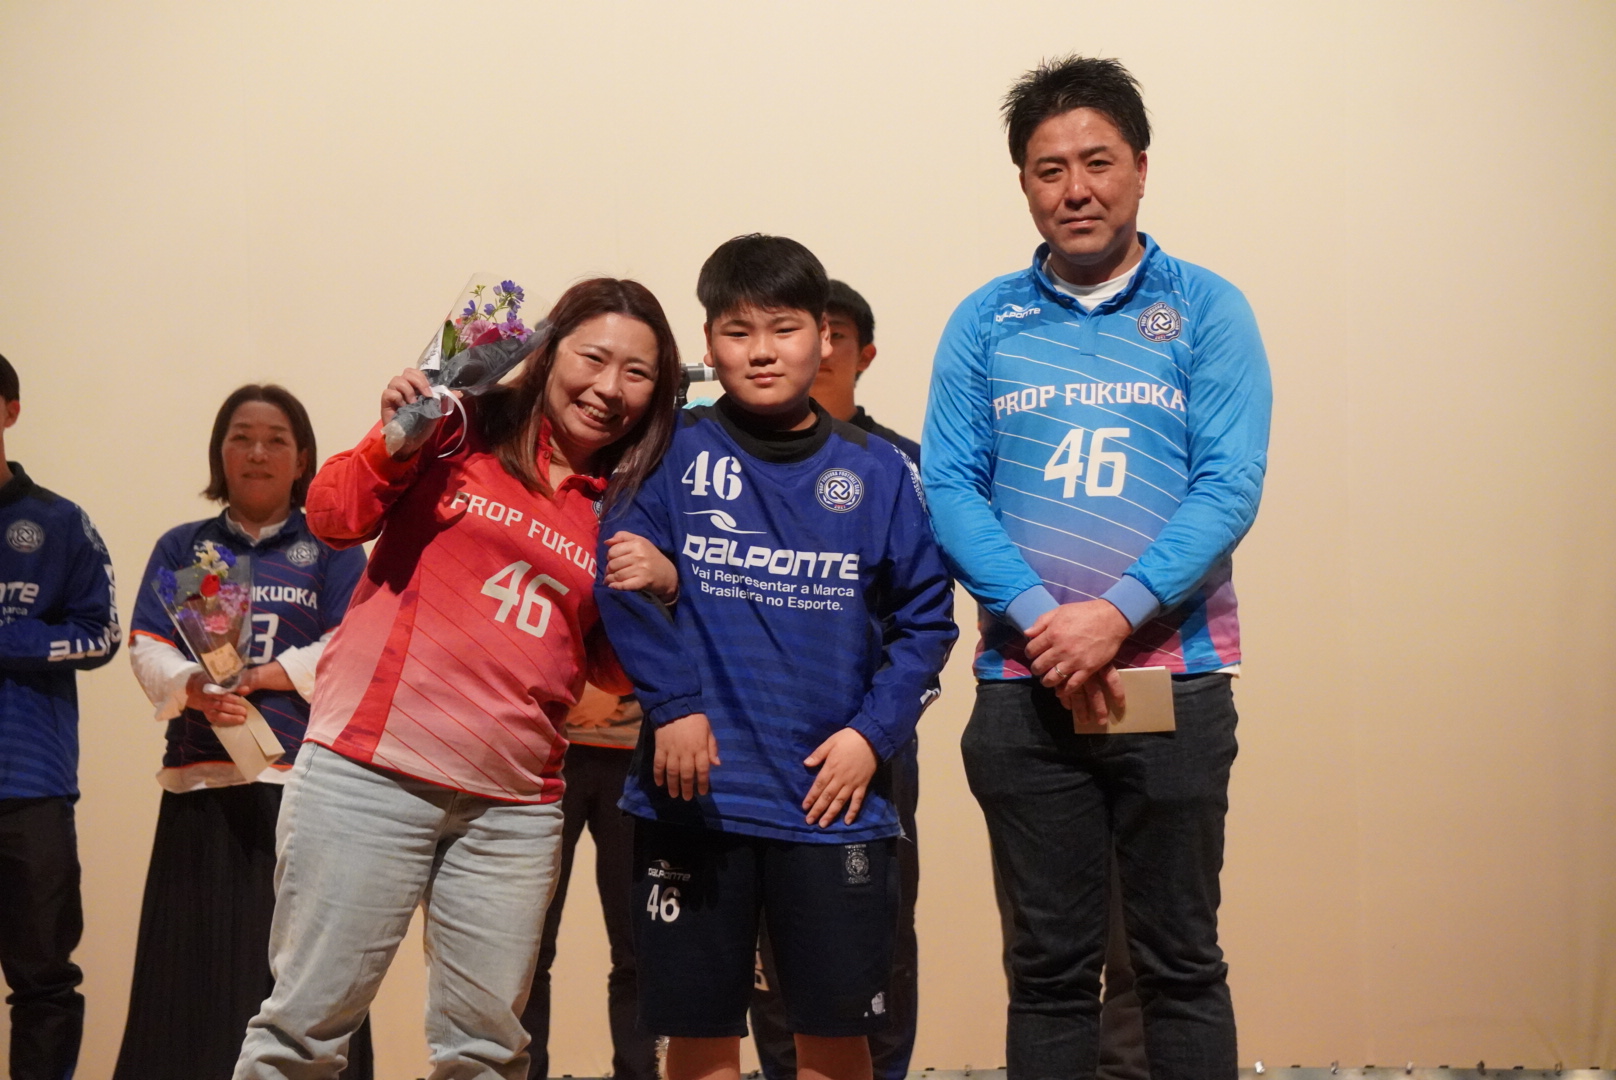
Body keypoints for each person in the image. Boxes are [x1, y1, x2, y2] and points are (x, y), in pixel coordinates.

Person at [232, 278, 682, 1080]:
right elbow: (334, 516)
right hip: (370, 773)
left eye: (637, 373)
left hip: (514, 807)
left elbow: (610, 670)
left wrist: (661, 588)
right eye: (593, 358)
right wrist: (396, 438)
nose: (610, 388)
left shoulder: (629, 503)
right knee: (302, 1037)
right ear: (547, 353)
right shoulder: (459, 425)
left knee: (486, 1054)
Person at [922, 56, 1272, 1080]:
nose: (1075, 189)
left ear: (1140, 168)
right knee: (1047, 974)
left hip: (1175, 681)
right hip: (1022, 688)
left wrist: (1113, 616)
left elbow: (1227, 487)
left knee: (1179, 965)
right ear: (1023, 184)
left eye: (1097, 162)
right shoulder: (984, 321)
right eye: (1048, 169)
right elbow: (950, 486)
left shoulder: (1206, 309)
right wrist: (1044, 619)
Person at [595, 235, 957, 1080]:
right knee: (699, 1034)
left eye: (784, 328)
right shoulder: (668, 450)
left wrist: (871, 737)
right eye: (737, 330)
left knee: (835, 1036)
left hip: (832, 800)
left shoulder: (879, 471)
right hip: (696, 795)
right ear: (709, 342)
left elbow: (927, 623)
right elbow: (621, 581)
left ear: (824, 339)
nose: (761, 351)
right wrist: (674, 705)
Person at [114, 385, 372, 1080]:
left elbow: (356, 643)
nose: (257, 452)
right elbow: (146, 645)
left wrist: (270, 676)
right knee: (187, 981)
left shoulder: (332, 549)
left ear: (302, 459)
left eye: (276, 440)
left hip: (303, 792)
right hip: (201, 787)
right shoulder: (187, 548)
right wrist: (195, 689)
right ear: (220, 452)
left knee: (302, 977)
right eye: (241, 437)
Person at [747, 279, 922, 1080]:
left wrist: (874, 730)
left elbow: (924, 620)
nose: (812, 351)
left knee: (878, 926)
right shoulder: (720, 451)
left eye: (833, 335)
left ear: (860, 352)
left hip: (870, 742)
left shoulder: (901, 464)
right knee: (764, 931)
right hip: (753, 739)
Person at [0, 352, 120, 1080]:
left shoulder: (59, 522)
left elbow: (102, 633)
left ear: (9, 411)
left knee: (43, 980)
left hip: (30, 790)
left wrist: (11, 639)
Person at [519, 683, 658, 1080]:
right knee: (525, 944)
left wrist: (624, 694)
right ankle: (523, 1073)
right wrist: (572, 694)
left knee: (639, 943)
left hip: (637, 754)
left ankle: (641, 1073)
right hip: (543, 750)